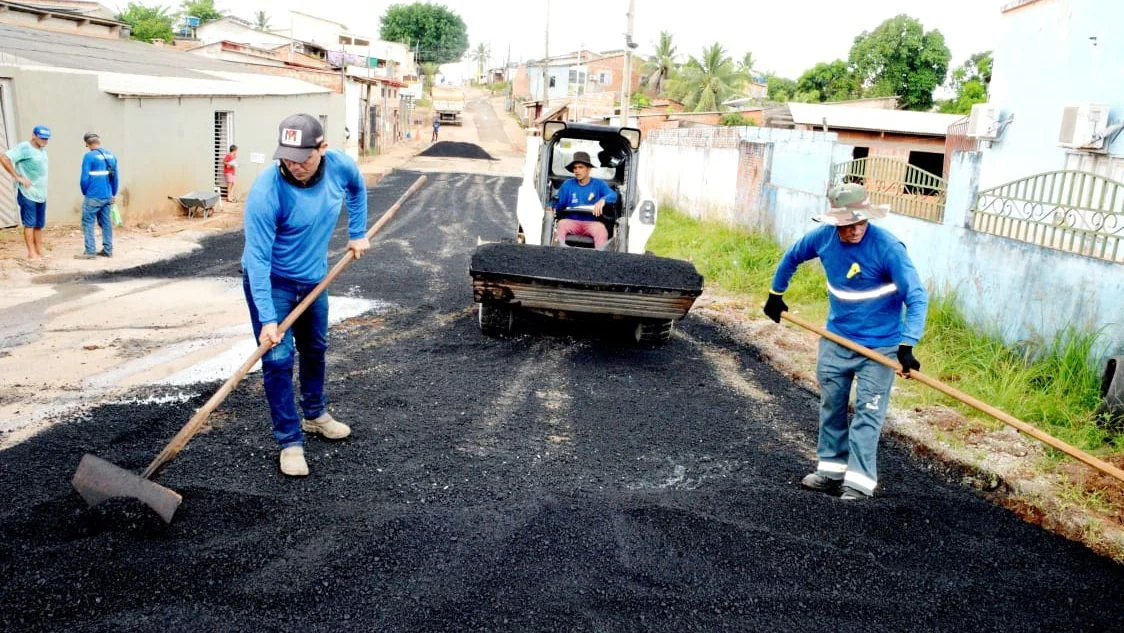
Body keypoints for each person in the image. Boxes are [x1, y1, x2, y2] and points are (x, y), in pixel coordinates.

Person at [763, 183, 928, 501]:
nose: (855, 230)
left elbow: (917, 297)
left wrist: (907, 345)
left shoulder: (888, 248)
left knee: (868, 411)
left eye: (861, 222)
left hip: (879, 348)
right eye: (848, 224)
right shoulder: (822, 238)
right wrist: (776, 294)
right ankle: (830, 471)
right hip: (836, 339)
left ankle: (859, 482)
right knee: (832, 404)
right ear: (835, 221)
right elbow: (792, 257)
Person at [241, 113, 370, 477]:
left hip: (314, 282)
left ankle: (314, 414)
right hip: (273, 283)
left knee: (315, 348)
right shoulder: (267, 192)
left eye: (304, 158)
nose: (295, 166)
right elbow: (257, 261)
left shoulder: (340, 166)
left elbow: (358, 190)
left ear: (322, 149)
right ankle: (289, 440)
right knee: (279, 359)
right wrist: (267, 318)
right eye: (287, 158)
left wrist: (357, 231)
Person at [1, 125, 51, 261]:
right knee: (30, 223)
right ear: (34, 135)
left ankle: (39, 249)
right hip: (28, 193)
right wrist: (17, 176)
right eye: (42, 138)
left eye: (46, 139)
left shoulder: (43, 150)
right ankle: (31, 252)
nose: (44, 141)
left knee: (39, 224)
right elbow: (4, 158)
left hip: (41, 193)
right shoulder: (24, 147)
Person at [551, 151, 617, 249]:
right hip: (571, 222)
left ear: (588, 169)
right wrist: (551, 207)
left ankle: (601, 259)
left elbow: (613, 195)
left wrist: (603, 200)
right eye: (575, 168)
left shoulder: (599, 184)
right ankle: (557, 254)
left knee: (601, 229)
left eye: (581, 167)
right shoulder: (567, 185)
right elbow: (559, 204)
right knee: (561, 224)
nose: (577, 170)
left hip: (592, 223)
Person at [76, 132, 119, 259]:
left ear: (87, 144)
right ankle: (108, 250)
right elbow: (115, 177)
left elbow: (84, 178)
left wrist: (85, 191)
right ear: (99, 141)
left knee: (88, 222)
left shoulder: (89, 156)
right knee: (106, 223)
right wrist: (113, 193)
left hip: (93, 195)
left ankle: (90, 251)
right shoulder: (111, 155)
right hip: (107, 195)